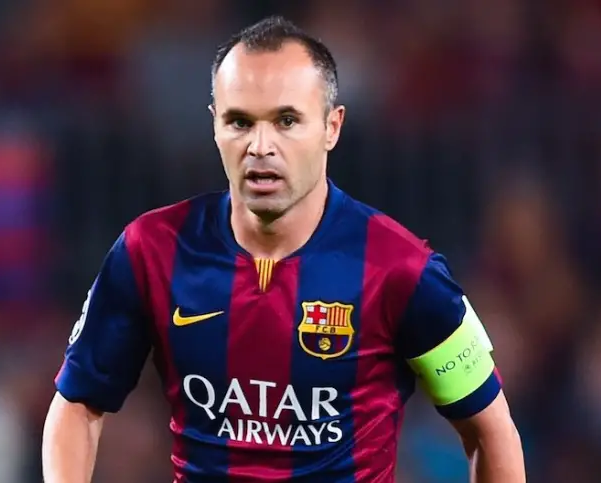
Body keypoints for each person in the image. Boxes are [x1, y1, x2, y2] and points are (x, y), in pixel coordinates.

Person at [42, 15, 526, 483]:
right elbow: (77, 405)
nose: (260, 145)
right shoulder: (151, 250)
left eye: (287, 120)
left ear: (332, 127)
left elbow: (490, 432)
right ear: (214, 125)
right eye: (239, 122)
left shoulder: (403, 269)